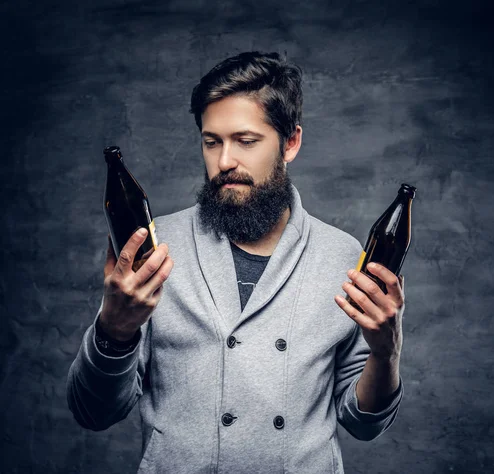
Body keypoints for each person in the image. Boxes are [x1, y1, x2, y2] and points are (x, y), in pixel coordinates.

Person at [66, 51, 406, 474]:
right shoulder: (154, 250)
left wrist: (386, 353)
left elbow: (363, 423)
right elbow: (92, 413)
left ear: (291, 142)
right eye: (212, 142)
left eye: (246, 141)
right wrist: (112, 331)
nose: (225, 161)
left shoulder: (340, 256)